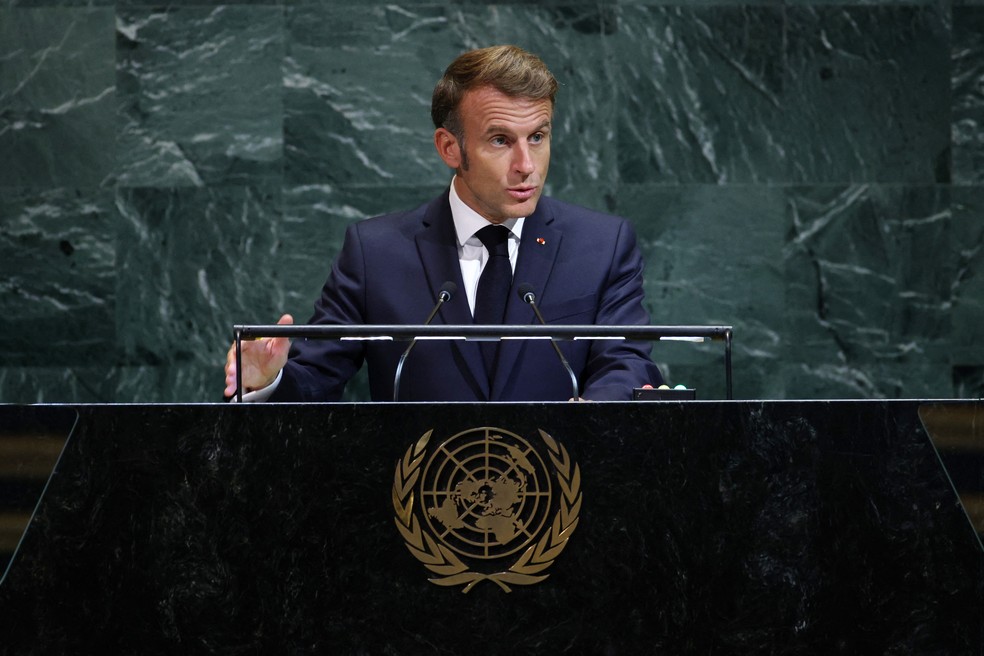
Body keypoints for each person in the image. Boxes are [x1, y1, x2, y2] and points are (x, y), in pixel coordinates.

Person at [224, 44, 663, 402]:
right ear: (450, 148)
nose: (526, 165)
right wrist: (266, 382)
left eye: (537, 137)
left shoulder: (602, 245)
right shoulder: (375, 253)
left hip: (558, 478)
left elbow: (626, 362)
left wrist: (591, 418)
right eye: (500, 140)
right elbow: (316, 379)